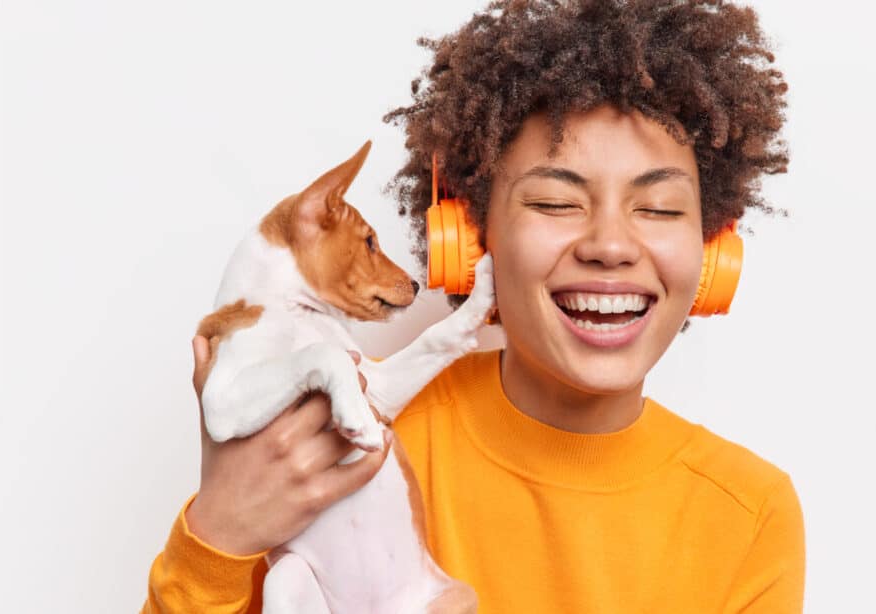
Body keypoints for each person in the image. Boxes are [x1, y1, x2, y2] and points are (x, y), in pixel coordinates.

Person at [142, 1, 804, 612]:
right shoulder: (338, 432)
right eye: (554, 202)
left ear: (711, 251)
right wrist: (217, 535)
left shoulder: (748, 515)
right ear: (468, 240)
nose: (610, 245)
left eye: (658, 208)